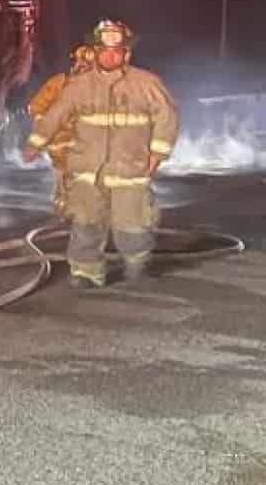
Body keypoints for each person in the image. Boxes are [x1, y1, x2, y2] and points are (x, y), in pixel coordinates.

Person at [22, 20, 178, 287]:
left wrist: (158, 153)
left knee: (132, 225)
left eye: (116, 51)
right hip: (88, 170)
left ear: (126, 53)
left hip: (129, 169)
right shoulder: (79, 86)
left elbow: (167, 117)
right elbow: (55, 115)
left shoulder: (147, 84)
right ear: (95, 51)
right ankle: (86, 271)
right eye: (104, 50)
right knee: (86, 223)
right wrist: (35, 143)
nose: (109, 56)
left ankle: (136, 263)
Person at [26, 44, 96, 214]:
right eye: (82, 62)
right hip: (62, 150)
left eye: (89, 65)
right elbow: (37, 107)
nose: (83, 67)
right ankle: (68, 214)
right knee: (65, 186)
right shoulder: (59, 83)